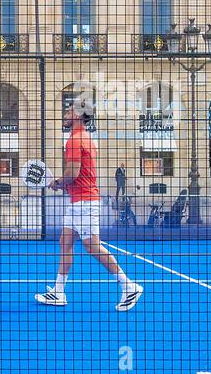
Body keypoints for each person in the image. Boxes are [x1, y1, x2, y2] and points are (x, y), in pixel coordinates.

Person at [34, 98, 142, 311]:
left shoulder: (74, 140)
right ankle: (58, 291)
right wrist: (64, 185)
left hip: (85, 202)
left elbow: (72, 173)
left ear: (76, 115)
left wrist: (57, 183)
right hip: (78, 200)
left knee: (92, 246)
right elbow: (80, 175)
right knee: (65, 242)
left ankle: (129, 286)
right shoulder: (86, 138)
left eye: (67, 112)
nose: (65, 115)